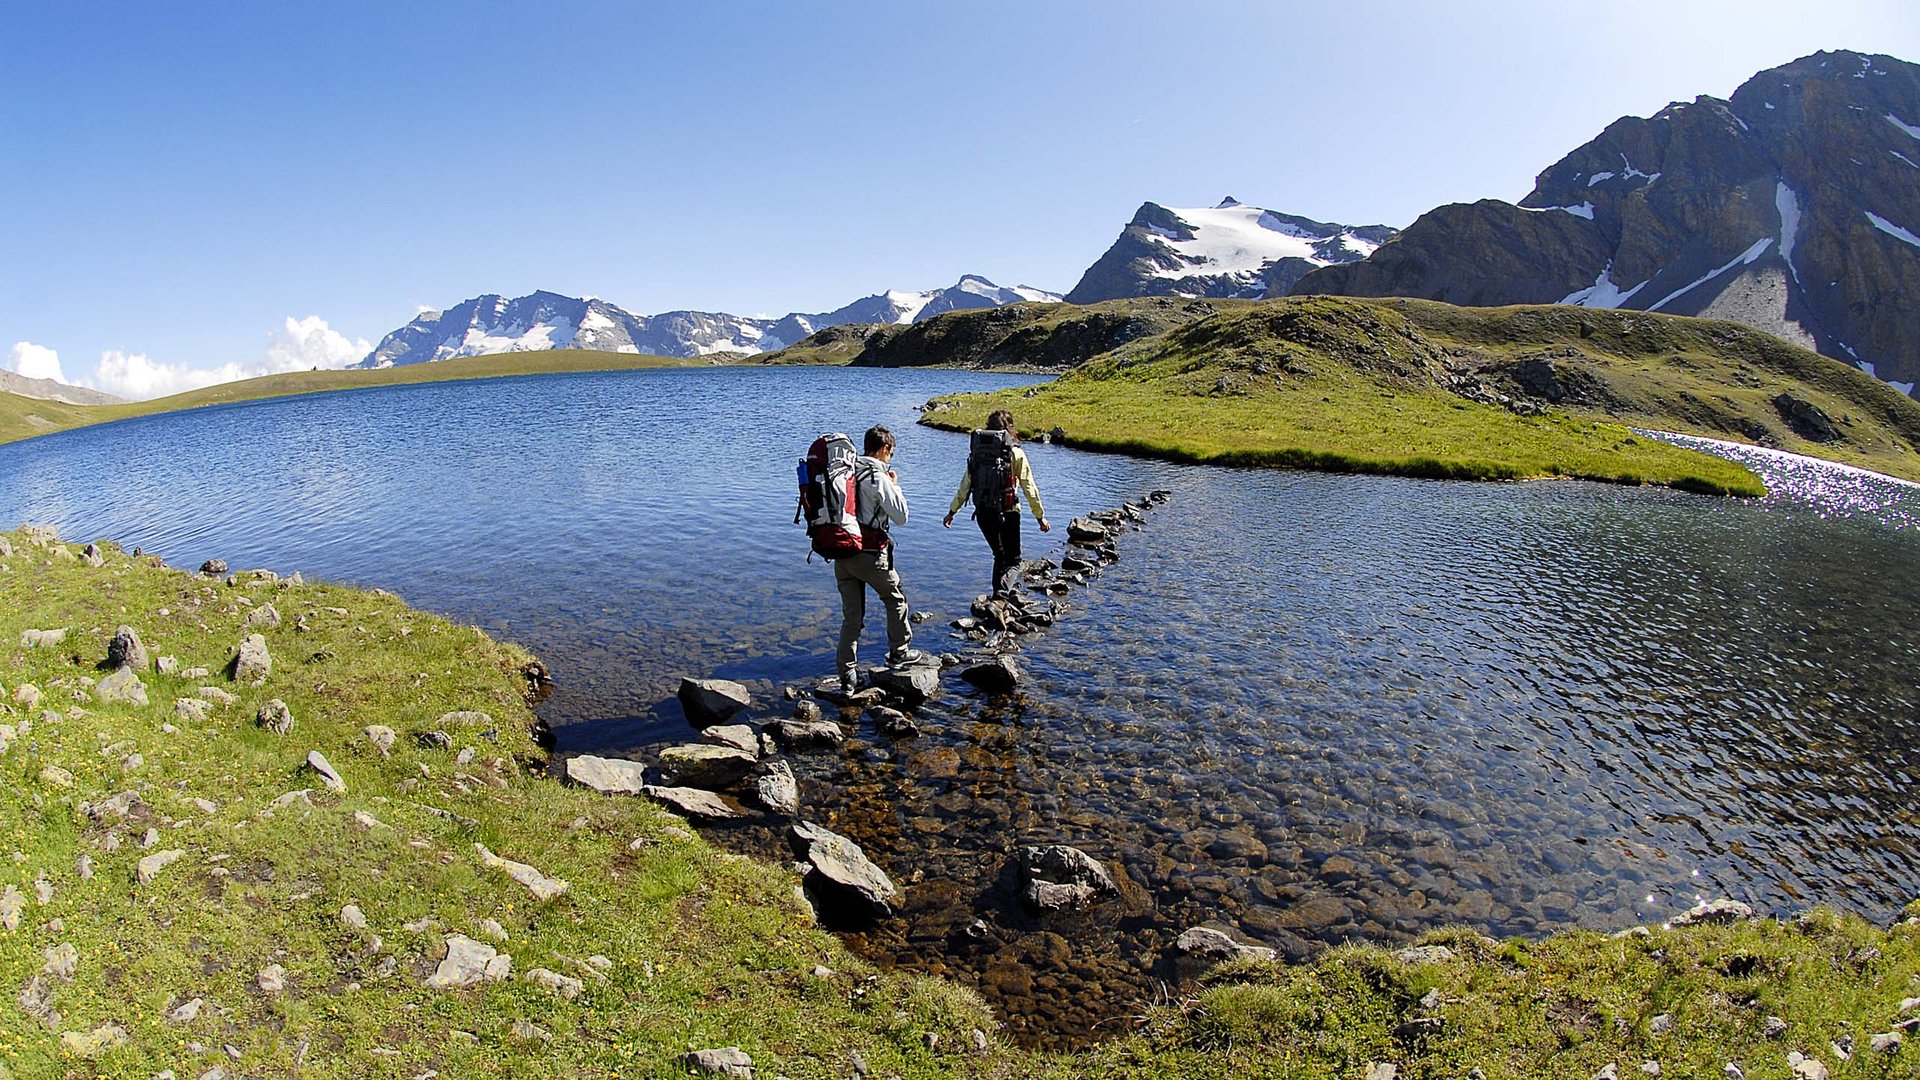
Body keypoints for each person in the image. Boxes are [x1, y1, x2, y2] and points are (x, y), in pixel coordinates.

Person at [835, 424, 922, 693]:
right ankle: (899, 652)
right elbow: (901, 517)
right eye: (891, 453)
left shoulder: (846, 470)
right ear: (885, 449)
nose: (890, 458)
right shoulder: (877, 476)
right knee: (895, 599)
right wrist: (895, 486)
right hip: (870, 554)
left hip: (841, 552)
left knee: (852, 617)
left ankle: (847, 676)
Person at [943, 408, 1051, 595]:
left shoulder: (977, 454)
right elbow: (1029, 488)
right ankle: (1000, 598)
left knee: (999, 555)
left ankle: (996, 600)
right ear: (1010, 429)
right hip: (1008, 511)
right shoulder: (1016, 453)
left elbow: (965, 486)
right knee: (1014, 560)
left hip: (983, 512)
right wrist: (1040, 517)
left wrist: (952, 511)